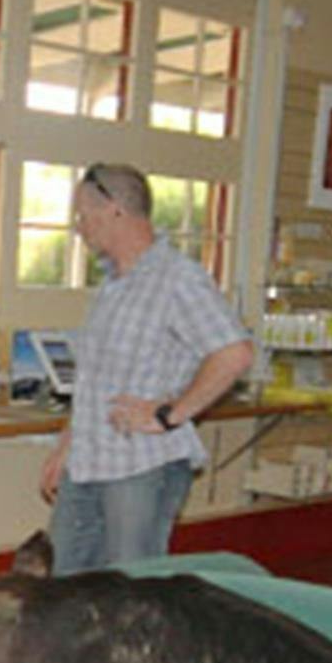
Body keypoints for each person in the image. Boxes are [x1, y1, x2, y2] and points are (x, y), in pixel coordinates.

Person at [39, 163, 254, 574]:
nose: (79, 228)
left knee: (131, 588)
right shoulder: (113, 285)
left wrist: (169, 414)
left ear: (115, 210)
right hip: (88, 462)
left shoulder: (177, 279)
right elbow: (95, 382)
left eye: (83, 215)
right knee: (62, 584)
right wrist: (66, 445)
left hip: (142, 466)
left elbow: (235, 353)